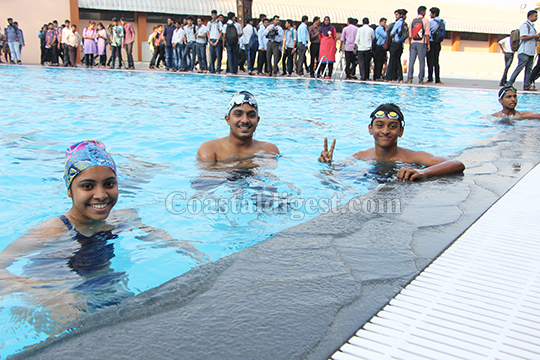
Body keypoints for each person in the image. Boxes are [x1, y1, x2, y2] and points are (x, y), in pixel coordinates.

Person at [0, 140, 201, 336]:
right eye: (87, 186)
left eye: (109, 184)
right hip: (57, 294)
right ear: (69, 190)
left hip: (102, 285)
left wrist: (191, 252)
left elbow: (156, 236)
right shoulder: (54, 230)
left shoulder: (123, 217)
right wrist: (43, 292)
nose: (101, 194)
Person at [319, 103, 465, 180]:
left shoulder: (411, 157)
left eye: (393, 126)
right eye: (380, 125)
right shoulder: (361, 155)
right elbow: (337, 170)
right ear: (370, 129)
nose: (385, 131)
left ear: (401, 131)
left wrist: (423, 172)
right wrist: (327, 163)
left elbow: (456, 164)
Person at [197, 91, 280, 163]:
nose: (245, 120)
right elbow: (206, 180)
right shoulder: (210, 149)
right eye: (238, 114)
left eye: (251, 115)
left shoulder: (269, 149)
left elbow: (268, 176)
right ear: (228, 119)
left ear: (257, 120)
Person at [506, 10, 540, 91]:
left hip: (531, 52)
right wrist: (535, 36)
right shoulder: (525, 26)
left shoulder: (532, 27)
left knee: (528, 69)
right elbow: (523, 37)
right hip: (524, 51)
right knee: (520, 68)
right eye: (535, 16)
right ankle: (509, 83)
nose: (536, 18)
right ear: (530, 16)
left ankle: (527, 85)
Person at [406, 6, 430, 84]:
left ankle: (409, 78)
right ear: (423, 12)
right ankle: (420, 79)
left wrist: (410, 44)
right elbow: (427, 34)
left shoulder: (412, 21)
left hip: (413, 43)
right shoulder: (425, 21)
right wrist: (428, 44)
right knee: (421, 61)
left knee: (411, 61)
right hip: (421, 43)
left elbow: (410, 35)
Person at [427, 7, 445, 85]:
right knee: (436, 61)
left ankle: (430, 79)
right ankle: (437, 79)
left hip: (431, 43)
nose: (430, 14)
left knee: (430, 61)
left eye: (431, 13)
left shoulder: (431, 22)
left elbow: (427, 33)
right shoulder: (443, 22)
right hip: (438, 43)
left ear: (434, 14)